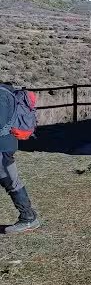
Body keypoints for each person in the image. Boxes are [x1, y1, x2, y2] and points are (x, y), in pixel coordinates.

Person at [0, 85, 40, 235]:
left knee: (10, 180)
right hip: (4, 145)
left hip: (3, 147)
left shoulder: (2, 95)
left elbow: (1, 122)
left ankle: (28, 217)